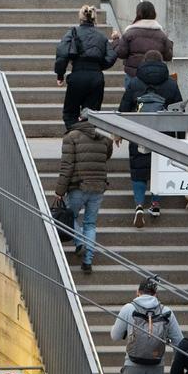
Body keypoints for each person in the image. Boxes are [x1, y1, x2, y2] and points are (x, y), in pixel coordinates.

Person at [117, 50, 182, 227]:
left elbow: (123, 109)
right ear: (162, 63)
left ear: (144, 63)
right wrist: (180, 139)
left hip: (139, 133)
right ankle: (155, 203)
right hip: (163, 135)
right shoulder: (171, 84)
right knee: (159, 168)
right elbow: (179, 112)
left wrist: (119, 132)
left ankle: (139, 205)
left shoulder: (135, 82)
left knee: (138, 168)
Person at [53, 115, 113, 273]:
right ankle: (87, 262)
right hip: (98, 186)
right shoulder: (105, 139)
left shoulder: (71, 137)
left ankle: (79, 241)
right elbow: (106, 156)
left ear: (79, 119)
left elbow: (67, 166)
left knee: (69, 216)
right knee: (90, 224)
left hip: (78, 186)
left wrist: (60, 191)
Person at [54, 5, 119, 130]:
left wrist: (60, 74)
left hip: (78, 75)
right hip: (96, 77)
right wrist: (99, 66)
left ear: (80, 18)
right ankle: (88, 135)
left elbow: (62, 53)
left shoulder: (73, 33)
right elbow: (111, 55)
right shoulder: (101, 36)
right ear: (94, 19)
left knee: (70, 113)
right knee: (92, 114)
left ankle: (74, 135)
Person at [113, 1, 174, 88]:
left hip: (134, 76)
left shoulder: (129, 33)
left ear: (138, 14)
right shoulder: (162, 35)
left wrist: (116, 40)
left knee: (133, 97)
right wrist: (169, 44)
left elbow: (121, 53)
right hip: (156, 78)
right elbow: (168, 57)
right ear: (154, 14)